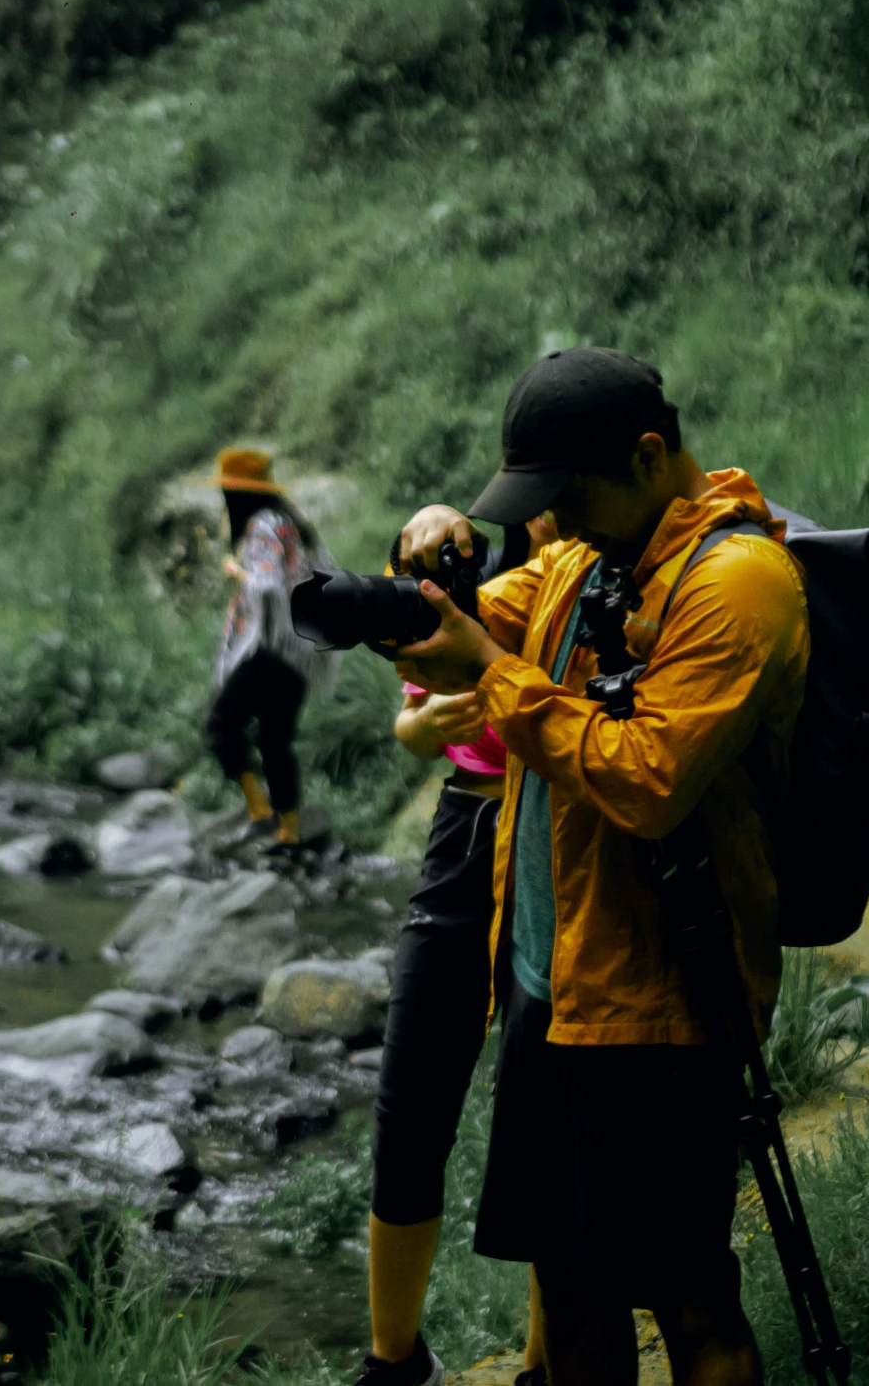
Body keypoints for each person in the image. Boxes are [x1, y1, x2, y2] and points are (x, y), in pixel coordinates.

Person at [391, 348, 811, 1386]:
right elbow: (463, 631)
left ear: (648, 455)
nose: (554, 521)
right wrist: (397, 590)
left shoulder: (740, 583)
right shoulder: (588, 559)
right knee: (569, 1289)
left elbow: (648, 778)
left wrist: (491, 678)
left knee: (689, 1303)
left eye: (565, 494)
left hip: (662, 1002)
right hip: (552, 983)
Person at [362, 515, 556, 1386]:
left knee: (547, 1101)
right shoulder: (473, 581)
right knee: (409, 1094)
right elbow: (410, 727)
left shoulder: (589, 577)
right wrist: (436, 715)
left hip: (562, 827)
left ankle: (547, 1362)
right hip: (470, 820)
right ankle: (394, 1360)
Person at [205, 447, 334, 845]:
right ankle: (289, 833)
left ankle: (260, 810)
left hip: (272, 648)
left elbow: (267, 582)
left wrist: (235, 570)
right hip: (300, 649)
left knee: (221, 725)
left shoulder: (263, 525)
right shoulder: (293, 525)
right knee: (274, 740)